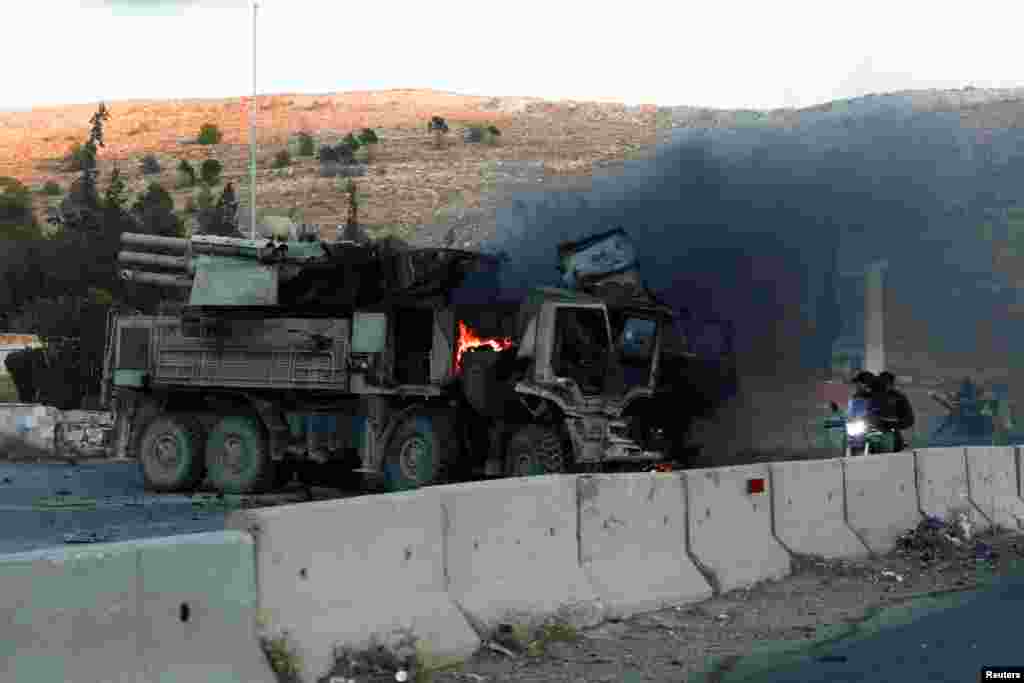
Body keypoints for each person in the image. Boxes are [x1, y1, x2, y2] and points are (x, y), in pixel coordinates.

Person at [876, 371, 915, 451]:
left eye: (885, 383)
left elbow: (909, 418)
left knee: (894, 445)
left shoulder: (898, 397)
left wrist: (893, 423)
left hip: (889, 433)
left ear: (891, 384)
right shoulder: (869, 395)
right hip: (869, 431)